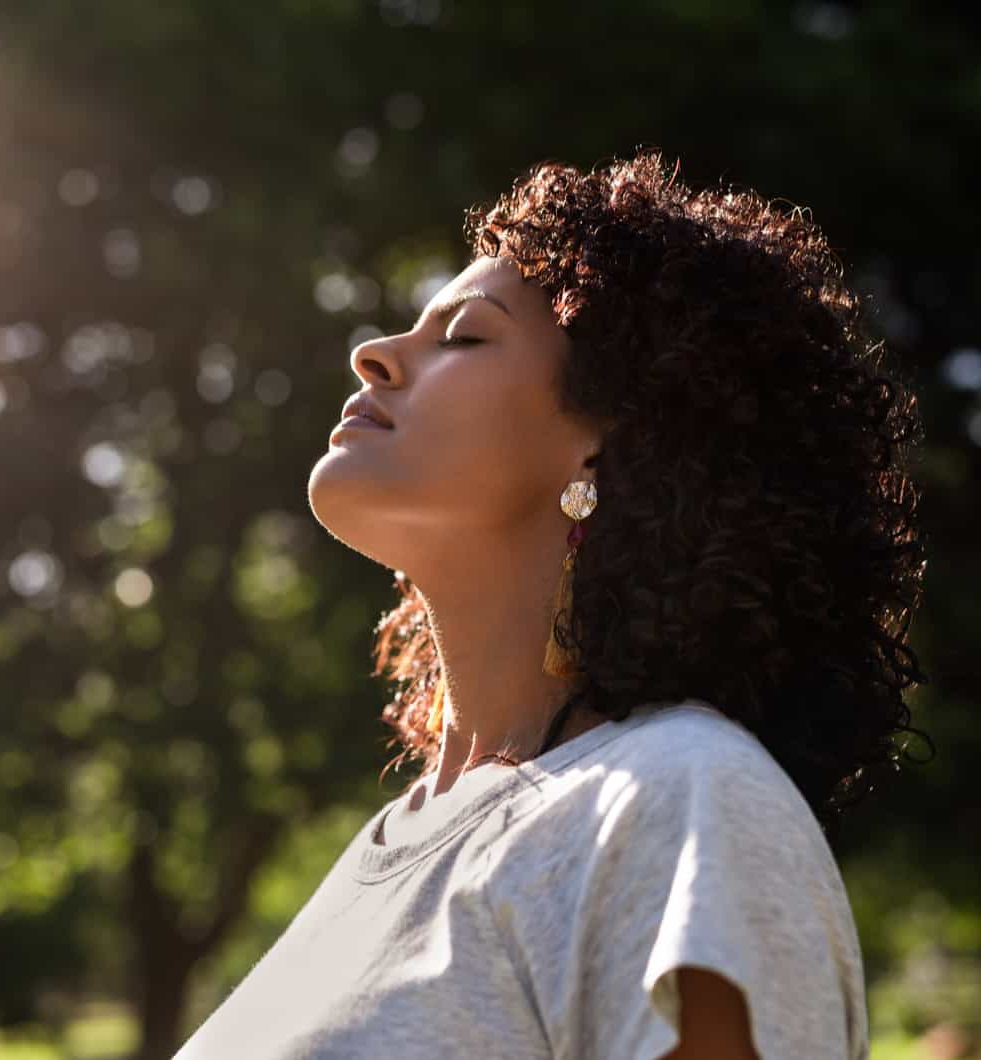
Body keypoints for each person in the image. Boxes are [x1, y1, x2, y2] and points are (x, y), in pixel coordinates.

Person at [173, 146, 931, 1059]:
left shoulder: (681, 801)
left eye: (463, 336)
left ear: (606, 447)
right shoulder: (399, 838)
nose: (373, 354)